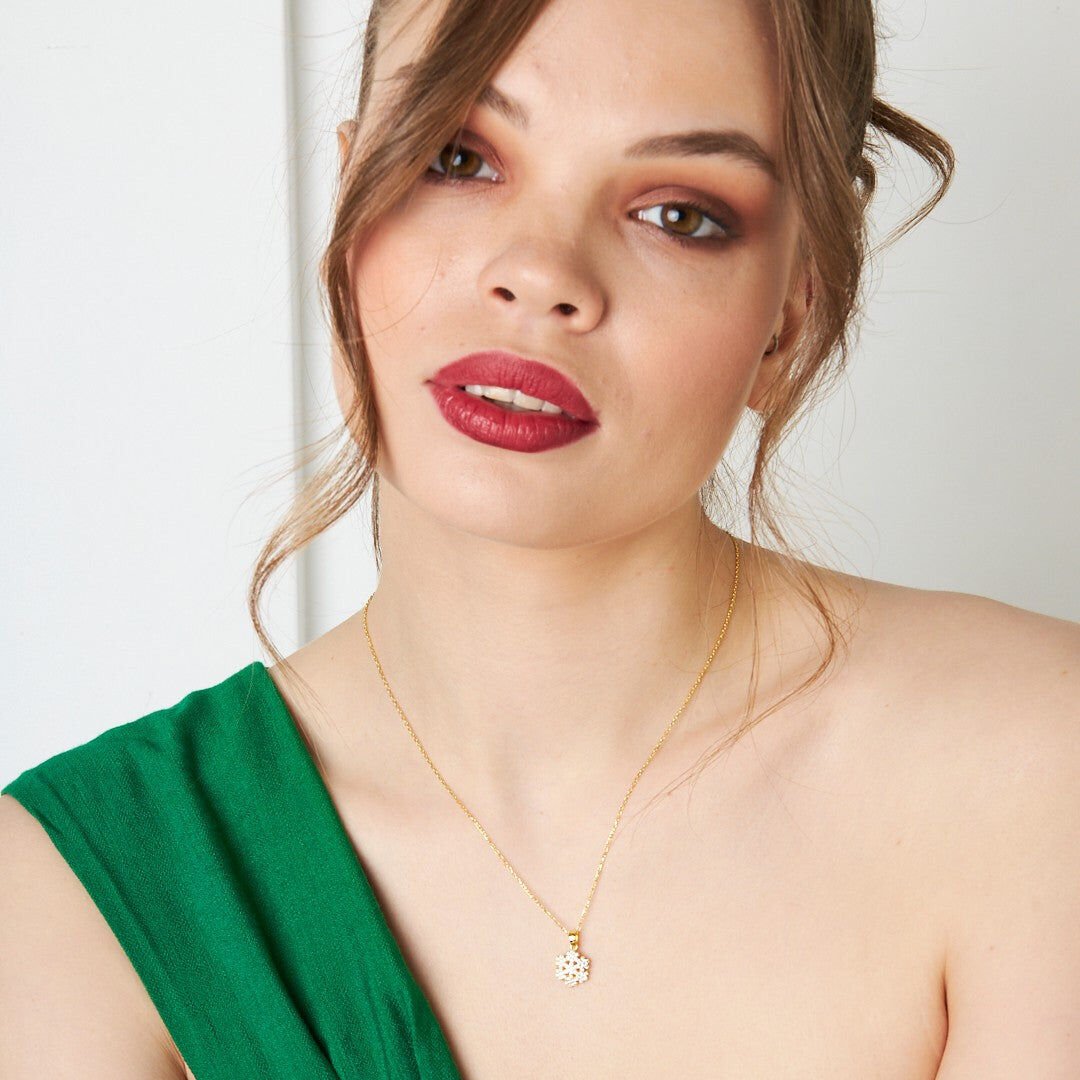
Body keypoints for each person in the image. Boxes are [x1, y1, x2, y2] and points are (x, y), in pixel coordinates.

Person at [2, 0, 1077, 1076]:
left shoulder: (1034, 764)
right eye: (457, 157)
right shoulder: (78, 894)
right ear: (345, 197)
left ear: (793, 312)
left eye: (679, 215)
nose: (541, 271)